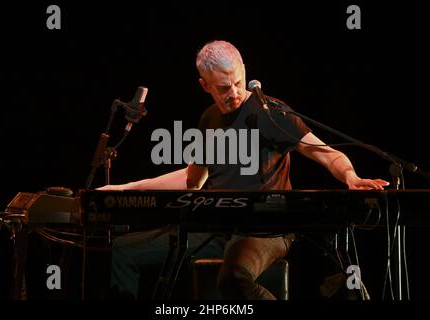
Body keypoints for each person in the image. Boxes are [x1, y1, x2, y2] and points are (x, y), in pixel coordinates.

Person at [99, 40, 389, 299]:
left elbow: (324, 153)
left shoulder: (271, 112)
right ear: (205, 85)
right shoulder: (209, 119)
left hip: (266, 230)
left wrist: (351, 176)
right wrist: (125, 188)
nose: (235, 93)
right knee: (122, 251)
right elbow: (192, 180)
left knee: (234, 277)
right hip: (219, 227)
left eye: (239, 82)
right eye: (224, 88)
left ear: (244, 70)